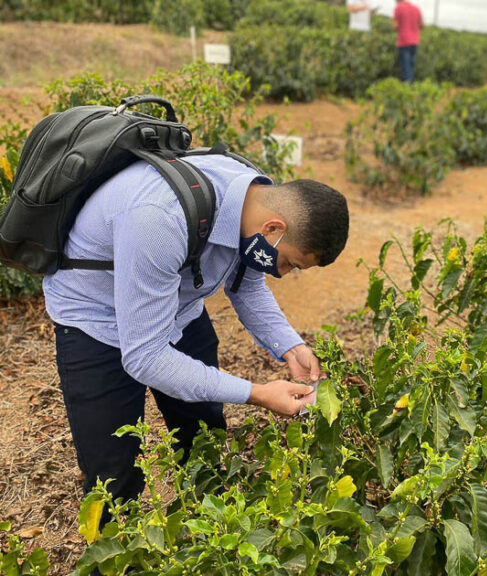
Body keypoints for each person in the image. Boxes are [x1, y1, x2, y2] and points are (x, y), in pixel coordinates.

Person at [43, 153, 349, 508]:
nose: (281, 273)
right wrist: (258, 393)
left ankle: (208, 529)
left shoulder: (254, 203)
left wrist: (291, 347)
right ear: (274, 229)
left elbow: (245, 286)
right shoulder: (159, 218)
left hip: (178, 307)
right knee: (113, 478)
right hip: (97, 320)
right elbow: (146, 357)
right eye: (289, 263)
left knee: (202, 436)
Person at [392, 0, 424, 84]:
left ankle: (407, 90)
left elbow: (395, 25)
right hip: (415, 42)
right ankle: (411, 87)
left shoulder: (399, 7)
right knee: (410, 66)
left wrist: (400, 28)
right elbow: (422, 25)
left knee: (406, 68)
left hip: (404, 41)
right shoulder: (416, 8)